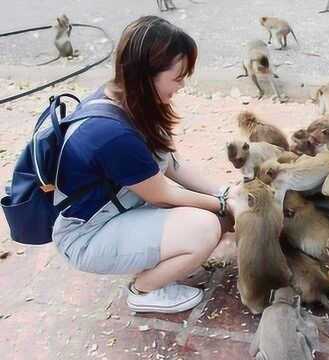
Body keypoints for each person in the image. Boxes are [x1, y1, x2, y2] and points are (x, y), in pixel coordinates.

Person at [52, 16, 234, 314]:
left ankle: (155, 251)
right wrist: (222, 204)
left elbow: (171, 163)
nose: (183, 84)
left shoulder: (131, 101)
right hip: (87, 235)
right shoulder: (109, 132)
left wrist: (225, 194)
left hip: (119, 208)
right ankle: (144, 289)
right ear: (146, 74)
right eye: (177, 77)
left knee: (220, 218)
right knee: (204, 228)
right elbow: (163, 194)